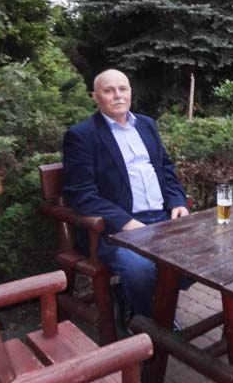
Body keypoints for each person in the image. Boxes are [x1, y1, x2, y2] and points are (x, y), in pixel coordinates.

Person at [62, 69, 190, 321]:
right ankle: (149, 320)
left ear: (131, 92)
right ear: (95, 96)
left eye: (123, 89)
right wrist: (125, 221)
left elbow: (166, 168)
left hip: (162, 219)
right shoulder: (82, 135)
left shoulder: (146, 125)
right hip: (114, 230)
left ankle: (142, 300)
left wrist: (177, 201)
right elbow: (80, 194)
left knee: (199, 255)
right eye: (109, 91)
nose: (118, 95)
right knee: (140, 269)